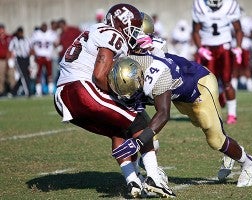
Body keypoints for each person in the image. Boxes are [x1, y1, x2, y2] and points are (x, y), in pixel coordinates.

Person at [53, 4, 175, 198]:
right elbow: (101, 76)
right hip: (81, 90)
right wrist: (122, 94)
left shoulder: (93, 30)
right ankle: (154, 178)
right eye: (133, 29)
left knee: (120, 129)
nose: (134, 34)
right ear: (121, 24)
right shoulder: (112, 33)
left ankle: (133, 182)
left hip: (62, 97)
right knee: (139, 120)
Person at [109, 53, 252, 188]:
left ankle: (248, 162)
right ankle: (149, 172)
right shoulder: (125, 66)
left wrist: (139, 142)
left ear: (140, 77)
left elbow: (163, 114)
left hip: (199, 86)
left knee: (216, 140)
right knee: (146, 133)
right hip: (179, 97)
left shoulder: (157, 75)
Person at [191, 0, 243, 125]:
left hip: (224, 47)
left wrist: (239, 47)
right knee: (207, 84)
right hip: (208, 48)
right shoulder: (200, 5)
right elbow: (195, 31)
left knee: (227, 82)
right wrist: (200, 48)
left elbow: (238, 29)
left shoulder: (229, 5)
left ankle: (232, 114)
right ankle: (212, 112)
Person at [31, 22, 58, 96]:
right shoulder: (36, 33)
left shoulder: (51, 33)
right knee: (38, 74)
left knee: (49, 74)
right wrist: (33, 55)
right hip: (39, 56)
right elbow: (31, 45)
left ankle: (50, 90)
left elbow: (56, 44)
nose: (44, 28)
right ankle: (38, 91)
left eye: (45, 26)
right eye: (43, 26)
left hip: (48, 57)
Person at [8, 26, 32, 97]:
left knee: (25, 75)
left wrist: (31, 59)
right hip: (18, 59)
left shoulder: (26, 39)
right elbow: (10, 50)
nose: (21, 34)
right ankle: (28, 92)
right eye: (19, 33)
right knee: (23, 76)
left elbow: (30, 49)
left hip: (26, 59)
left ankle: (13, 91)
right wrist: (10, 60)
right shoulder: (14, 40)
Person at [0, 23, 15, 97]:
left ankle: (13, 89)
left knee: (11, 74)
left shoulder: (9, 37)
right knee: (1, 75)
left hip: (9, 59)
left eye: (2, 29)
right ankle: (1, 91)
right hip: (1, 60)